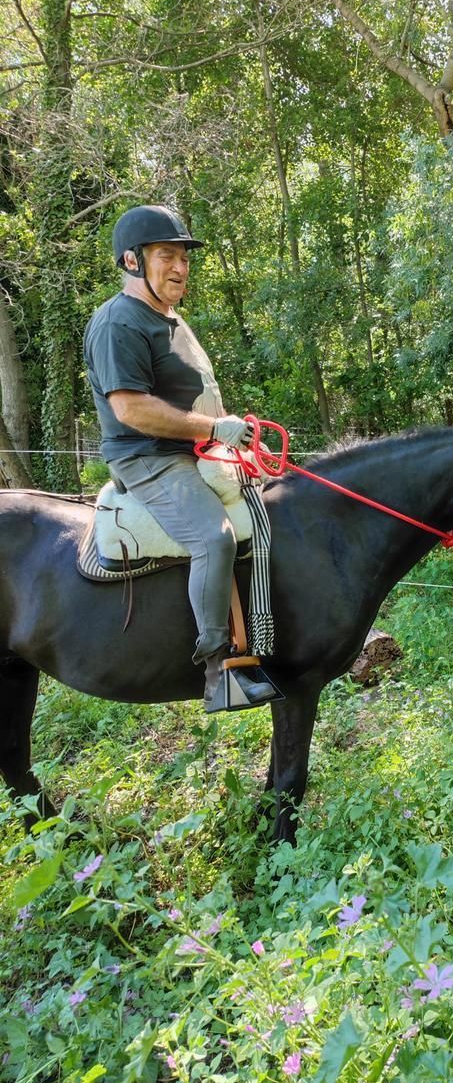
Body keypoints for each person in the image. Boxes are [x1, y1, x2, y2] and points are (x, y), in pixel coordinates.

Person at [83, 204, 276, 711]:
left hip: (198, 451)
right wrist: (215, 427)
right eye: (166, 255)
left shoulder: (169, 317)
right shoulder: (118, 323)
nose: (180, 267)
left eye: (184, 257)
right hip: (150, 460)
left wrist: (229, 433)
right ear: (131, 261)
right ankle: (218, 672)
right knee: (215, 539)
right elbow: (132, 409)